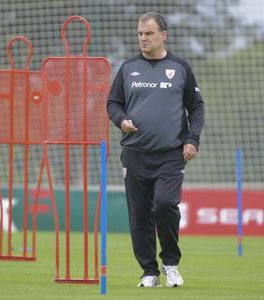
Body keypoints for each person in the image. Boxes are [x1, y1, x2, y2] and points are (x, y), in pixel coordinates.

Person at [107, 12, 204, 288]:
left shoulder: (180, 67)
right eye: (140, 33)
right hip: (134, 153)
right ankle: (149, 272)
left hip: (171, 154)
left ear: (163, 35)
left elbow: (196, 106)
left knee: (164, 204)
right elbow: (113, 104)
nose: (143, 38)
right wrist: (121, 120)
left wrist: (193, 139)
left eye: (148, 33)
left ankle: (171, 264)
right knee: (139, 214)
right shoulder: (127, 68)